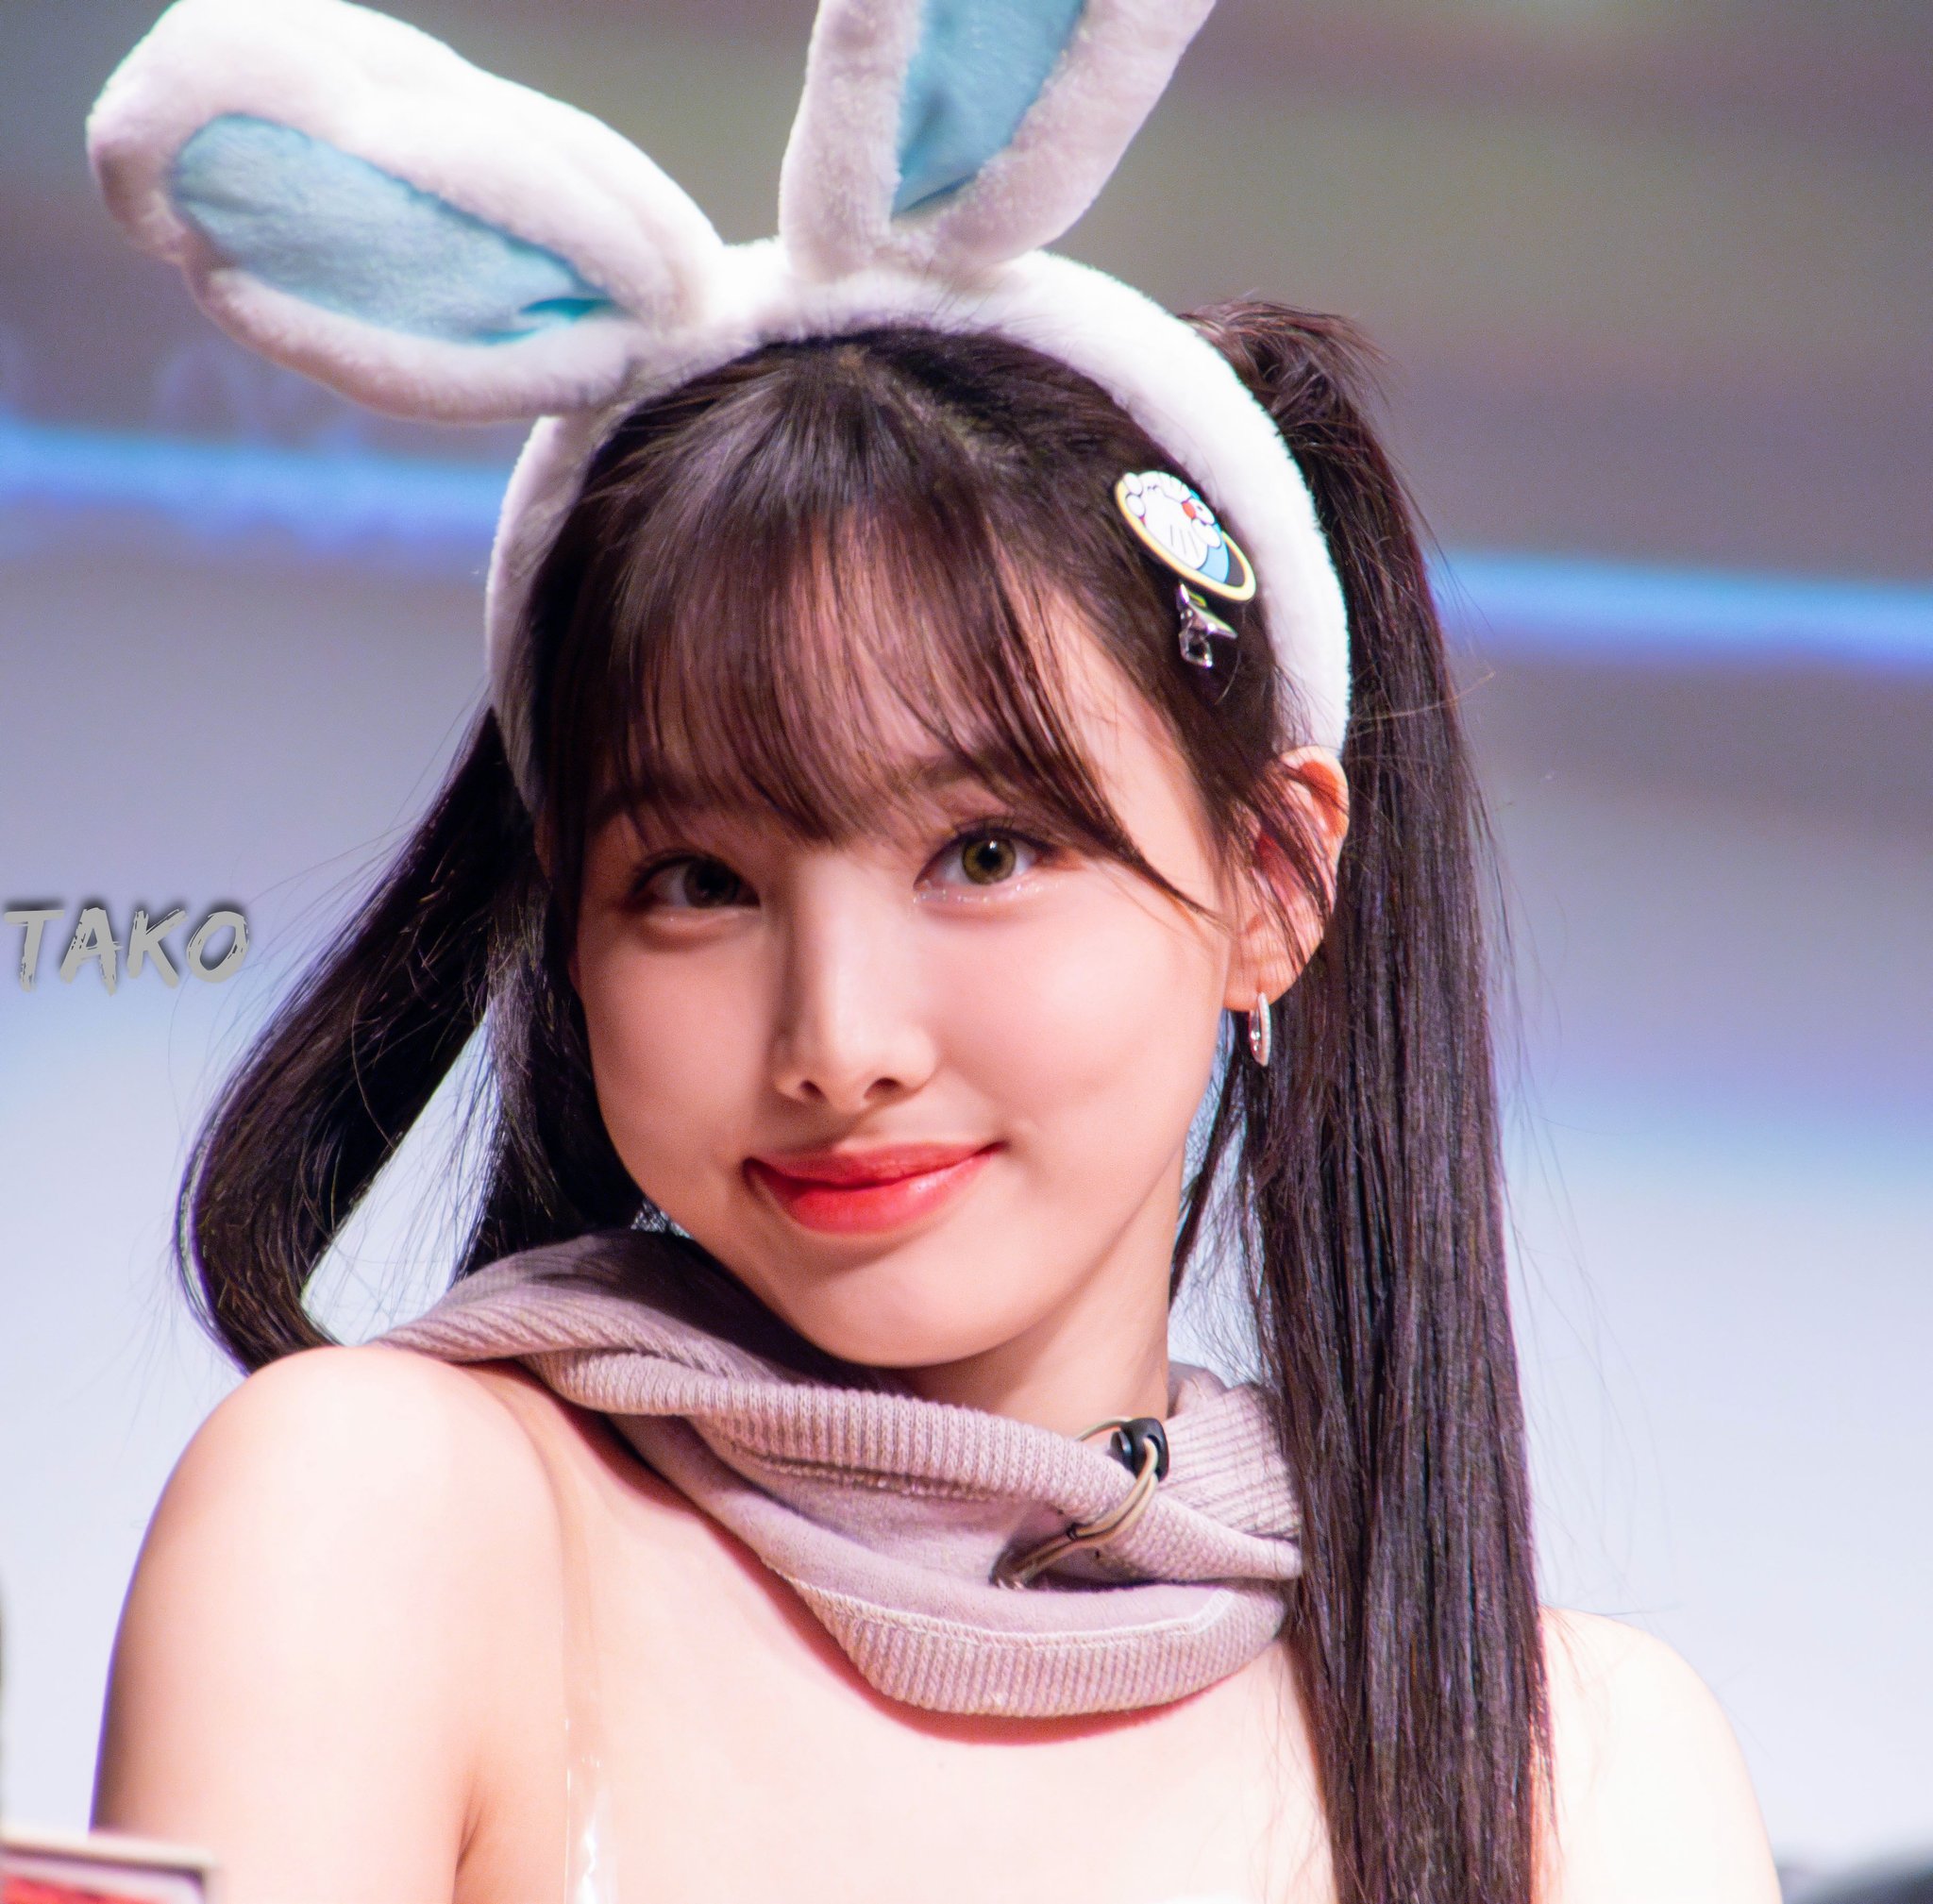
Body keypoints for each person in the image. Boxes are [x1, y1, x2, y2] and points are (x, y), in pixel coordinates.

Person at [81, 2, 1783, 1900]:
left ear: (1272, 878)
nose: (839, 1037)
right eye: (697, 881)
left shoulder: (1581, 1774)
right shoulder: (385, 1523)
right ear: (568, 914)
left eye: (985, 852)